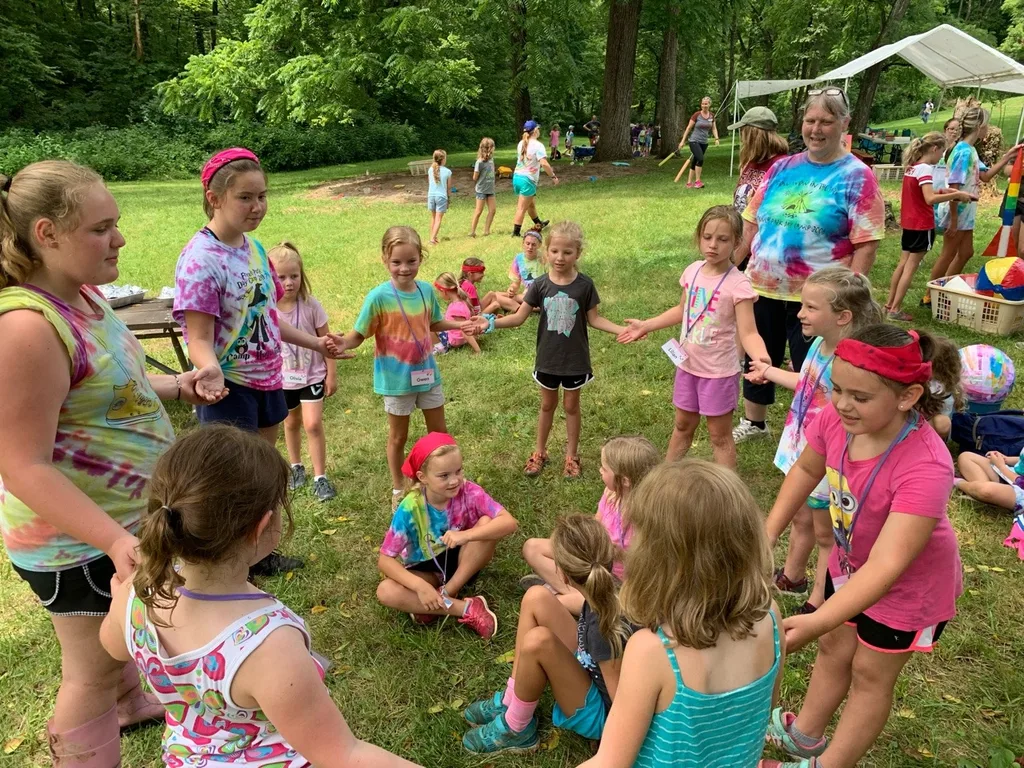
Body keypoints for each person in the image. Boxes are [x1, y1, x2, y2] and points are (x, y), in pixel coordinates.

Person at [0, 160, 227, 768]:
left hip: (117, 527)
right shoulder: (26, 327)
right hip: (75, 543)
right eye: (102, 228)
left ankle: (131, 703)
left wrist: (178, 385)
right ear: (47, 233)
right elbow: (20, 466)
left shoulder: (84, 297)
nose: (120, 239)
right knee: (89, 674)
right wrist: (111, 541)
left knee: (116, 650)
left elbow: (111, 389)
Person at [98, 425, 422, 768]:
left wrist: (121, 601)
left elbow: (112, 646)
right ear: (262, 525)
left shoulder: (137, 593)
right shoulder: (267, 643)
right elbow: (342, 754)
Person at [761, 324, 961, 768]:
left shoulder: (926, 464)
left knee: (870, 674)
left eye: (861, 397)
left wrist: (813, 622)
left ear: (907, 397)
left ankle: (829, 765)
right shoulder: (836, 418)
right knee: (835, 645)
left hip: (908, 589)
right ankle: (805, 736)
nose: (843, 404)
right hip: (851, 566)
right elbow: (804, 471)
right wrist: (767, 533)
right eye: (837, 389)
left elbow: (889, 564)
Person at [175, 148, 345, 575]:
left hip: (271, 380)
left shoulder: (254, 249)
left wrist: (317, 344)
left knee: (260, 474)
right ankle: (224, 564)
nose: (257, 207)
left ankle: (257, 554)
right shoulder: (200, 260)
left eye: (262, 196)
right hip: (229, 389)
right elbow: (197, 338)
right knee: (228, 480)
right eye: (245, 198)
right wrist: (208, 369)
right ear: (214, 198)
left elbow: (266, 318)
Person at [578, 460, 785, 768]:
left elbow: (610, 762)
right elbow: (762, 710)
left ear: (653, 559)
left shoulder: (652, 651)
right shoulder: (770, 616)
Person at [731, 87, 885, 445]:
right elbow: (750, 225)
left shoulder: (857, 176)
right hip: (760, 285)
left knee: (815, 370)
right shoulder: (783, 167)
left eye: (826, 121)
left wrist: (851, 296)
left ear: (845, 123)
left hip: (819, 297)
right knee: (757, 356)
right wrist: (724, 273)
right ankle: (755, 421)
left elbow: (866, 243)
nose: (816, 129)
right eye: (810, 120)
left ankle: (818, 432)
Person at [747, 268, 883, 614]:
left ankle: (819, 600)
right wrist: (768, 372)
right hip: (802, 445)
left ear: (843, 317)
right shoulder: (822, 345)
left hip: (827, 457)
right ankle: (793, 577)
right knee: (802, 519)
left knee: (827, 535)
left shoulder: (850, 361)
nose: (800, 314)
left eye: (809, 308)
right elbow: (807, 384)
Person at [464, 221, 625, 478]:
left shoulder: (584, 285)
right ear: (546, 252)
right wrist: (489, 322)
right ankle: (540, 451)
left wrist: (622, 330)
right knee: (547, 405)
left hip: (575, 360)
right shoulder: (539, 285)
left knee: (572, 406)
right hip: (547, 359)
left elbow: (594, 319)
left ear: (577, 254)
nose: (560, 258)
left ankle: (572, 455)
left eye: (567, 252)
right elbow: (518, 317)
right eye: (555, 251)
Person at [463, 515, 632, 753]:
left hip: (602, 714)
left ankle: (517, 727)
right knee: (536, 597)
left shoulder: (603, 630)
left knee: (538, 642)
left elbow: (622, 704)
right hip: (590, 665)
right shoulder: (606, 588)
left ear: (562, 575)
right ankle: (512, 699)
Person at [618, 206, 769, 468]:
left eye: (723, 239)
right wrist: (647, 325)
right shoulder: (693, 271)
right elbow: (681, 310)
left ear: (736, 242)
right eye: (707, 237)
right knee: (682, 425)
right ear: (698, 237)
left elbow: (749, 332)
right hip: (688, 366)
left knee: (719, 436)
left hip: (718, 373)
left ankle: (727, 494)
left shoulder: (739, 285)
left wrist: (761, 358)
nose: (713, 245)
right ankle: (665, 477)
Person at [333, 227, 467, 510]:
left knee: (438, 434)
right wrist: (342, 344)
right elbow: (360, 335)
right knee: (398, 437)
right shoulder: (378, 297)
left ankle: (442, 480)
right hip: (396, 381)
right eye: (396, 262)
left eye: (411, 261)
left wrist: (461, 325)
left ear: (421, 257)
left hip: (428, 376)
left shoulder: (426, 291)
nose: (404, 268)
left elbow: (433, 324)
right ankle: (398, 487)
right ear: (385, 259)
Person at [376, 433, 518, 638]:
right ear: (422, 477)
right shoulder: (410, 508)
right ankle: (465, 608)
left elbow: (509, 522)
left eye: (458, 471)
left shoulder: (469, 491)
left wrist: (466, 536)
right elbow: (385, 559)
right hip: (425, 569)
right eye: (444, 476)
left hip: (464, 561)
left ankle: (442, 597)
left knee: (487, 523)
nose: (454, 481)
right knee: (385, 590)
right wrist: (420, 586)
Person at [520, 435, 660, 613]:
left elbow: (650, 566)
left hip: (621, 585)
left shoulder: (649, 516)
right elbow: (596, 525)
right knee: (532, 547)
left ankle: (562, 598)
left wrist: (618, 554)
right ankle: (572, 593)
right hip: (593, 564)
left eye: (604, 468)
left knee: (620, 606)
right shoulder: (611, 495)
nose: (600, 470)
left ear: (625, 480)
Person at [268, 242, 338, 502]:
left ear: (302, 275)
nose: (288, 283)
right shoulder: (268, 308)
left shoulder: (311, 305)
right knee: (291, 422)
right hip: (283, 380)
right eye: (281, 277)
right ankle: (296, 466)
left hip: (311, 376)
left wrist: (331, 373)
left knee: (313, 424)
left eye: (294, 276)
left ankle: (321, 477)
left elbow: (327, 341)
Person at [884, 133, 973, 320]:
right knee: (910, 267)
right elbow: (929, 199)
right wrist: (956, 196)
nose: (941, 156)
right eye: (942, 152)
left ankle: (889, 304)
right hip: (922, 225)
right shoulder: (926, 169)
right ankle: (895, 310)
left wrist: (944, 191)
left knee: (903, 264)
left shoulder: (913, 168)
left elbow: (922, 193)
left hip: (909, 223)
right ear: (934, 149)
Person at [928, 107, 1022, 283]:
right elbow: (954, 185)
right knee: (948, 254)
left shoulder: (970, 150)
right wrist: (954, 218)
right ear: (979, 126)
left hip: (967, 211)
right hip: (956, 210)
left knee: (966, 252)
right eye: (986, 124)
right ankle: (929, 294)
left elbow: (985, 176)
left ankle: (945, 286)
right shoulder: (963, 152)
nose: (988, 128)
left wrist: (1007, 156)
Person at [729, 107, 790, 219]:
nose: (741, 137)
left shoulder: (782, 166)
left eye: (743, 131)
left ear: (752, 134)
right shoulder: (751, 161)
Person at [512, 121, 559, 237]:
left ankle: (539, 223)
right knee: (521, 208)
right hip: (527, 180)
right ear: (535, 131)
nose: (539, 131)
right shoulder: (538, 145)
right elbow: (544, 163)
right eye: (538, 129)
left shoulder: (521, 143)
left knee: (530, 204)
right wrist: (553, 176)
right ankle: (516, 233)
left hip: (517, 177)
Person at [955, 447, 1024, 513]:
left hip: (1020, 490)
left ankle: (958, 482)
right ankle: (988, 496)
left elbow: (1021, 483)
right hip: (1011, 474)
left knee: (985, 489)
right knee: (965, 457)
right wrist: (1006, 459)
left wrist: (1001, 466)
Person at [494, 227, 545, 312]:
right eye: (527, 243)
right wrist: (512, 289)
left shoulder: (544, 259)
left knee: (498, 298)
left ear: (539, 245)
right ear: (523, 243)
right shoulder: (519, 259)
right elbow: (516, 283)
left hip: (541, 294)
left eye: (534, 244)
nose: (530, 247)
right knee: (495, 295)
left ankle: (520, 308)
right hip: (526, 294)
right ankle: (526, 308)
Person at [432, 272, 480, 355]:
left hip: (455, 340)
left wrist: (478, 351)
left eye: (439, 292)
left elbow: (464, 329)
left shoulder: (456, 308)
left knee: (430, 325)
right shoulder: (463, 300)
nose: (439, 295)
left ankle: (441, 349)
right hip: (457, 336)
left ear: (443, 291)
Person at [679, 97, 720, 188]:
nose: (704, 105)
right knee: (700, 159)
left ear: (709, 105)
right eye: (703, 104)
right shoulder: (696, 115)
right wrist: (682, 141)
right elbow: (688, 128)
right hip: (694, 141)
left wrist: (716, 138)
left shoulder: (712, 116)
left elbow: (713, 128)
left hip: (704, 142)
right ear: (701, 104)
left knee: (695, 161)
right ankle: (697, 182)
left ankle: (689, 183)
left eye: (706, 104)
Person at [470, 138, 496, 238]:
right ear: (490, 148)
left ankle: (486, 231)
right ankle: (472, 231)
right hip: (481, 190)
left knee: (492, 210)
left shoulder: (491, 160)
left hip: (490, 189)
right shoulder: (479, 162)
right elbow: (474, 177)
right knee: (478, 211)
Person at [427, 149, 452, 245]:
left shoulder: (430, 170)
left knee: (433, 218)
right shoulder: (448, 172)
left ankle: (433, 236)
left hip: (431, 196)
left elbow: (430, 183)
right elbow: (448, 187)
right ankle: (432, 239)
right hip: (441, 197)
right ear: (443, 159)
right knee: (438, 219)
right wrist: (448, 198)